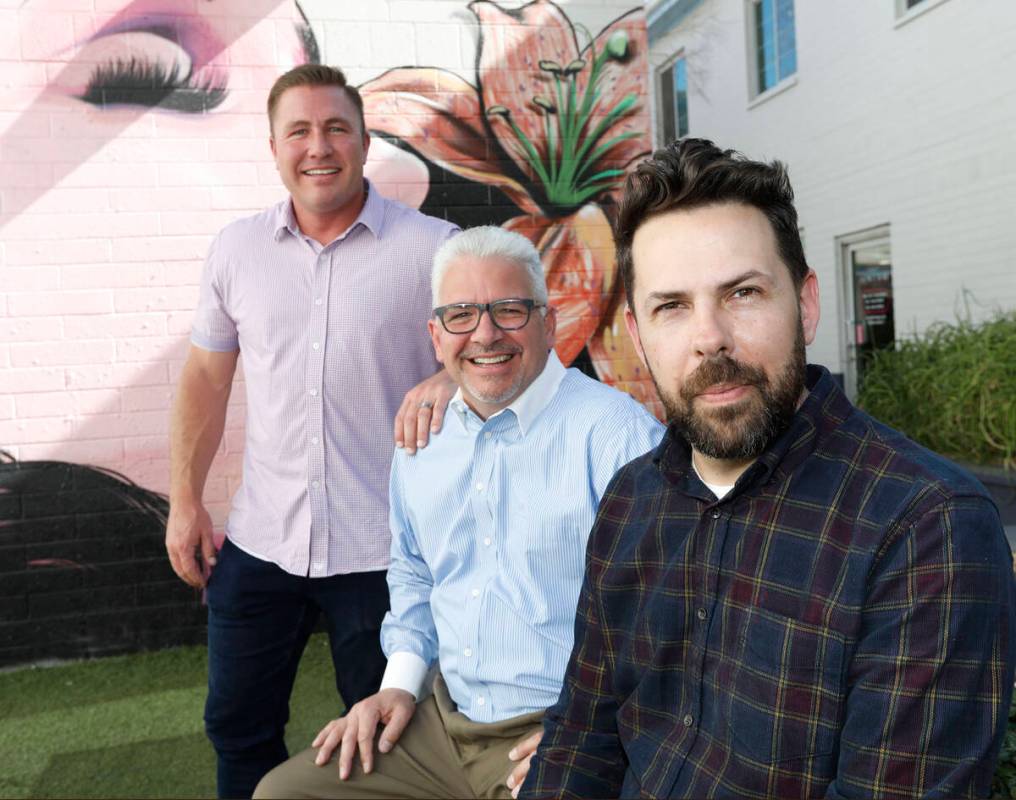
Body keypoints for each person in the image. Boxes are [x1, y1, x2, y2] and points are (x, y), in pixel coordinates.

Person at [522, 138, 1016, 799]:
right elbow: (582, 734)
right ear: (638, 338)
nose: (710, 338)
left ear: (805, 305)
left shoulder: (927, 529)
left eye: (744, 292)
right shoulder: (631, 498)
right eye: (672, 306)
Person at [253, 226, 664, 799]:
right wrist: (398, 686)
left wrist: (593, 732)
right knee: (285, 794)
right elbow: (415, 574)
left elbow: (665, 609)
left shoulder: (615, 435)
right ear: (436, 335)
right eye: (461, 316)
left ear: (549, 323)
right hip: (445, 722)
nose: (485, 334)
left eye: (510, 310)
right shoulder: (422, 441)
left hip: (560, 726)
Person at [165, 64, 458, 799]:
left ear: (364, 143)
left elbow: (509, 354)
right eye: (299, 130)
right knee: (238, 728)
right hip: (262, 545)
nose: (317, 146)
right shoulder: (236, 250)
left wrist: (453, 377)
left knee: (393, 747)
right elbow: (205, 379)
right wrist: (184, 499)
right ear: (274, 147)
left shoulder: (437, 248)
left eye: (336, 128)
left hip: (386, 552)